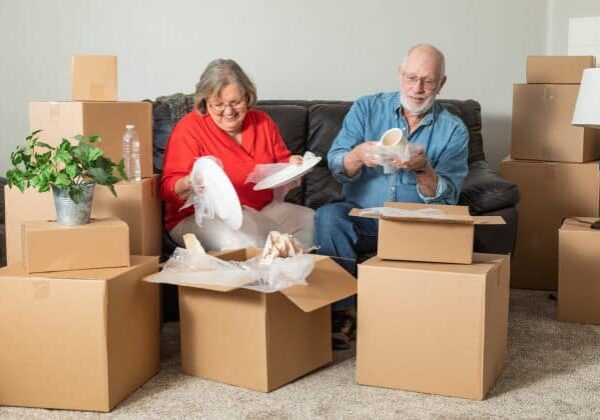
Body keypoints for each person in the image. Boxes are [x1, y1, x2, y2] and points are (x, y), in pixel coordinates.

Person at [315, 44, 469, 348]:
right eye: (411, 78)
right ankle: (343, 311)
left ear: (442, 83)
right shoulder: (366, 108)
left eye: (427, 80)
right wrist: (358, 155)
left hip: (416, 225)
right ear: (400, 74)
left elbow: (447, 199)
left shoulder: (454, 130)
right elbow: (336, 164)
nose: (418, 88)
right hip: (365, 219)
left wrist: (423, 168)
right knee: (329, 216)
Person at [161, 59, 314, 251]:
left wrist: (293, 163)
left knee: (313, 223)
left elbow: (281, 161)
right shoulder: (189, 127)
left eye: (236, 102)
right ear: (204, 101)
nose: (228, 111)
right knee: (242, 244)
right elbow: (167, 189)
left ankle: (294, 277)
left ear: (248, 97)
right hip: (202, 217)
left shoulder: (263, 122)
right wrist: (191, 182)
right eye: (217, 104)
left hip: (260, 210)